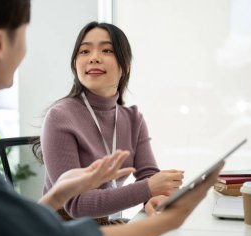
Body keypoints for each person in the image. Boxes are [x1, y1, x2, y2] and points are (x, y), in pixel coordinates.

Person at [0, 1, 223, 236]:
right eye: (25, 31)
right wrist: (168, 220)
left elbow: (1, 226)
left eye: (106, 51)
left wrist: (54, 197)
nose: (93, 58)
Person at [35, 21, 184, 224]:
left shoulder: (133, 119)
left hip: (103, 226)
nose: (94, 58)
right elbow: (76, 204)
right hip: (62, 232)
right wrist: (149, 188)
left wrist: (155, 197)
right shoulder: (60, 116)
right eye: (84, 51)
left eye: (106, 50)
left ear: (126, 66)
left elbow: (148, 174)